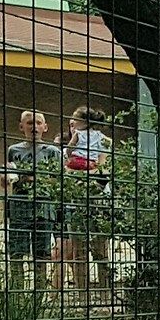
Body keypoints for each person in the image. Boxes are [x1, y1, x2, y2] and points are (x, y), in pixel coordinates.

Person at [4, 108, 63, 294]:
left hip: (44, 208)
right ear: (22, 127)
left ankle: (39, 296)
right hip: (19, 207)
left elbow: (59, 180)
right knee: (16, 254)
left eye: (38, 123)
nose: (34, 127)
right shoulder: (13, 150)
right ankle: (17, 295)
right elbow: (8, 178)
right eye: (30, 123)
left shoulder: (53, 151)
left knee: (42, 255)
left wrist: (30, 178)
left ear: (45, 127)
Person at [62, 106, 115, 304]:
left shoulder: (101, 140)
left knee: (100, 248)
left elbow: (101, 168)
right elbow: (67, 168)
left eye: (75, 119)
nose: (72, 122)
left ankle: (104, 294)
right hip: (76, 200)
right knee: (79, 249)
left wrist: (80, 176)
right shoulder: (72, 142)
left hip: (98, 198)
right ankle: (83, 296)